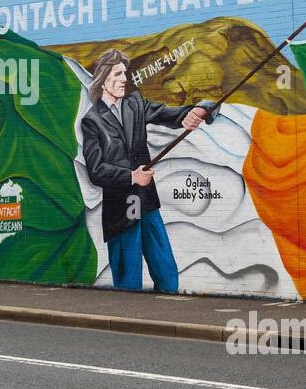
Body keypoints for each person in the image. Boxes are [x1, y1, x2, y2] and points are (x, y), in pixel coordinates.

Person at [79, 48, 215, 294]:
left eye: (125, 74)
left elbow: (165, 113)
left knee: (166, 271)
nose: (124, 79)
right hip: (121, 209)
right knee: (128, 280)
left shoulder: (135, 103)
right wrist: (131, 176)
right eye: (118, 74)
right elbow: (96, 170)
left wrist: (192, 112)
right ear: (103, 78)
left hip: (147, 203)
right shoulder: (93, 120)